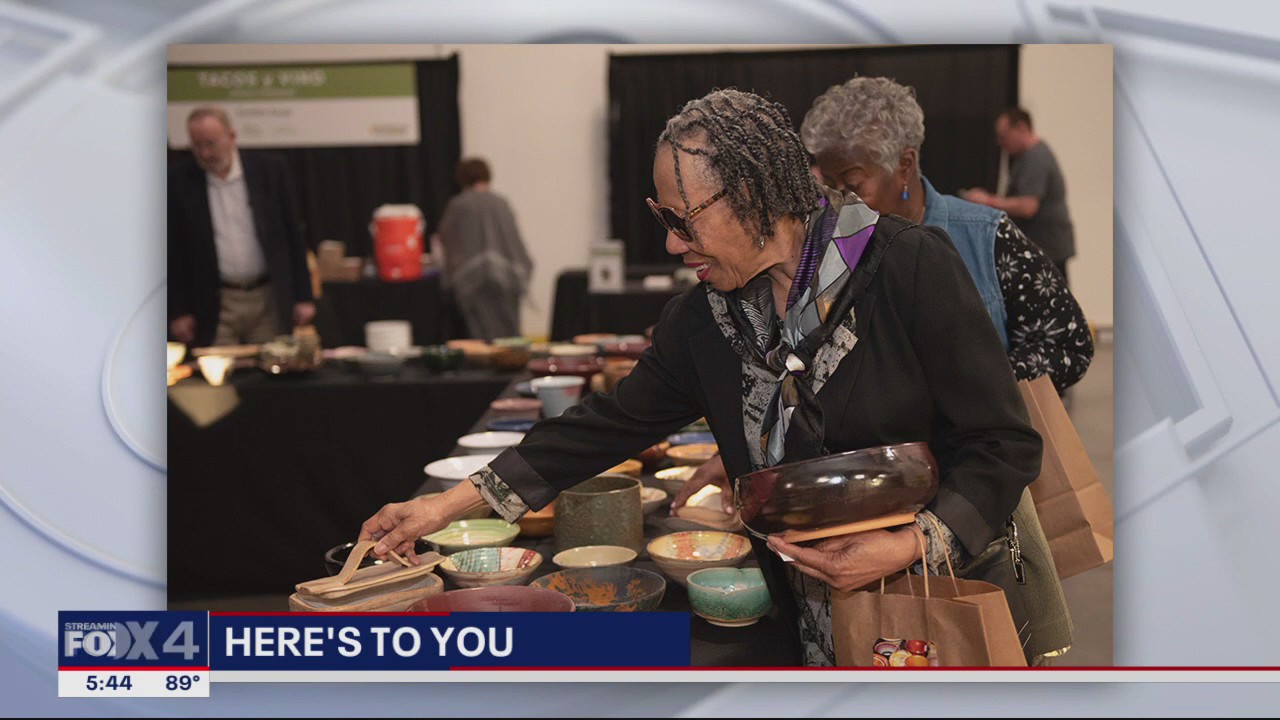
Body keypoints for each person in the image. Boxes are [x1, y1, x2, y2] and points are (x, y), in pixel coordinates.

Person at [360, 89, 1041, 666]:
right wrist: (442, 506)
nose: (670, 243)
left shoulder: (907, 268)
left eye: (680, 220)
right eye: (663, 219)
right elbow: (607, 425)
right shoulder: (704, 321)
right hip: (798, 622)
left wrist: (908, 544)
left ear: (752, 196)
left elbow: (1002, 442)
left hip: (922, 604)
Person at [168, 106, 315, 348]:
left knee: (269, 372)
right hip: (214, 301)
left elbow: (292, 236)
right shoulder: (178, 182)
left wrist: (303, 296)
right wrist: (178, 310)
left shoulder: (269, 171)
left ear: (232, 137)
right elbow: (172, 252)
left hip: (266, 297)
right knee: (218, 378)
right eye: (197, 145)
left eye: (212, 144)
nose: (205, 153)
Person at [963, 107, 1076, 283]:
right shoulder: (1027, 157)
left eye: (1004, 136)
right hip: (1044, 247)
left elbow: (1027, 207)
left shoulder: (1036, 158)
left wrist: (988, 201)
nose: (1000, 142)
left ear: (1022, 128)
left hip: (1048, 248)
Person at [435, 158, 533, 340]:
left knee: (481, 339)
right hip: (508, 279)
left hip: (473, 283)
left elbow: (446, 238)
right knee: (509, 335)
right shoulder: (501, 203)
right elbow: (515, 244)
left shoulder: (459, 205)